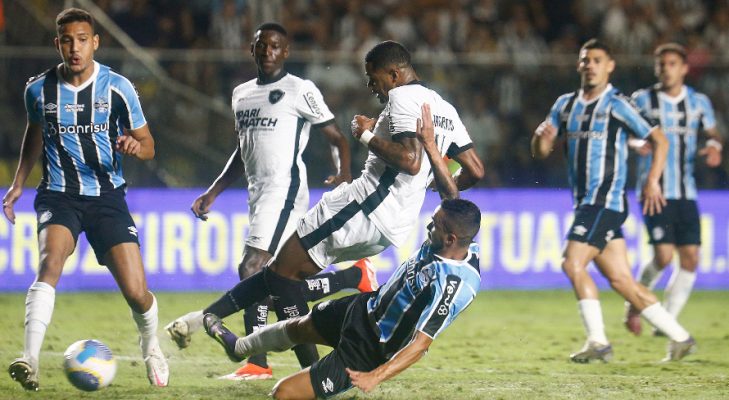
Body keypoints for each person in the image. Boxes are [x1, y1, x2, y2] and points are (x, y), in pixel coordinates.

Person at [166, 40, 484, 373]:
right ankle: (207, 319)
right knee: (283, 274)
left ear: (393, 73)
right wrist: (433, 183)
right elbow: (475, 169)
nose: (371, 86)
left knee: (281, 277)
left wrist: (364, 134)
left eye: (374, 79)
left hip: (360, 209)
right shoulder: (444, 107)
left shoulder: (403, 97)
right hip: (390, 227)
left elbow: (410, 160)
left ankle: (296, 368)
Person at [203, 104, 482, 399]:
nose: (429, 225)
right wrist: (429, 145)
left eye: (435, 226)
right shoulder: (457, 238)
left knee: (283, 394)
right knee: (299, 327)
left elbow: (421, 343)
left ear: (451, 239)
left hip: (370, 348)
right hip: (363, 308)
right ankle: (239, 348)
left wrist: (376, 376)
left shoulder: (454, 283)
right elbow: (451, 196)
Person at [165, 22, 378, 381]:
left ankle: (256, 361)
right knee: (280, 283)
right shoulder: (241, 94)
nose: (268, 51)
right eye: (261, 45)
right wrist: (213, 191)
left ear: (286, 52)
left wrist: (343, 173)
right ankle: (349, 282)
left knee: (252, 269)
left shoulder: (299, 90)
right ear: (252, 50)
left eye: (275, 46)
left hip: (285, 192)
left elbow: (335, 136)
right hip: (258, 194)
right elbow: (242, 149)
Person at [3, 8, 168, 390]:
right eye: (66, 40)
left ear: (95, 42)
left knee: (137, 292)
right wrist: (18, 184)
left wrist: (133, 145)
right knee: (50, 264)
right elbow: (35, 133)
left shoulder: (118, 87)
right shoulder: (38, 89)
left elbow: (150, 147)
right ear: (57, 43)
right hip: (59, 195)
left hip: (107, 197)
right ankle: (29, 359)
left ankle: (150, 345)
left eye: (82, 40)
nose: (74, 48)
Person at [530, 38, 696, 363]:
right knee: (621, 280)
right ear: (579, 66)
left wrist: (651, 181)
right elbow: (541, 153)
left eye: (597, 60)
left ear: (609, 66)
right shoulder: (565, 104)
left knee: (571, 262)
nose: (590, 65)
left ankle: (598, 341)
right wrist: (540, 139)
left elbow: (659, 140)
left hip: (604, 202)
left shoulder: (618, 104)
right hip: (585, 204)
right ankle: (680, 337)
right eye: (585, 60)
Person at [624, 43, 723, 335]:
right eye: (661, 64)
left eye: (671, 64)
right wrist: (635, 143)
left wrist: (715, 146)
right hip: (654, 190)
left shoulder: (698, 102)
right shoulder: (642, 100)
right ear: (657, 69)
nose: (666, 69)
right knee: (664, 257)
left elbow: (713, 133)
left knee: (691, 257)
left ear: (684, 68)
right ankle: (634, 304)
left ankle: (666, 321)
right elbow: (625, 133)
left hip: (686, 191)